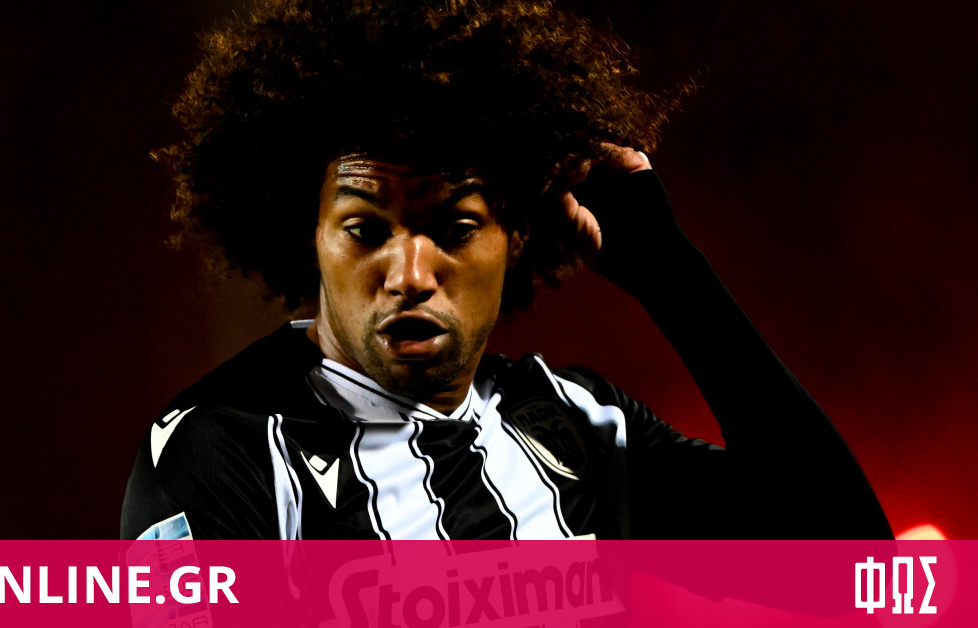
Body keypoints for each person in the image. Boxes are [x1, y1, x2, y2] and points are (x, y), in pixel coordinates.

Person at [120, 0, 892, 541]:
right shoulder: (219, 449)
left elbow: (849, 556)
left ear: (516, 234)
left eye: (454, 228)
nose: (409, 272)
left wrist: (672, 274)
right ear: (310, 235)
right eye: (366, 230)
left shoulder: (578, 425)